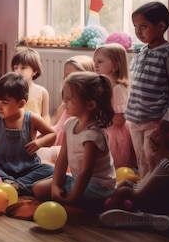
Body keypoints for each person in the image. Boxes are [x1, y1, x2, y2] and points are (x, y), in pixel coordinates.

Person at [33, 71, 116, 208]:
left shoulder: (92, 135)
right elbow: (62, 160)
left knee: (71, 201)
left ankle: (109, 199)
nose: (65, 103)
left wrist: (73, 198)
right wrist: (55, 185)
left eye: (69, 98)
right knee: (38, 189)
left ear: (90, 105)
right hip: (79, 181)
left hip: (99, 187)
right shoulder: (70, 124)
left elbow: (86, 171)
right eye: (65, 98)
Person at [99, 120, 169, 232]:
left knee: (124, 191)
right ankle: (117, 213)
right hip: (166, 202)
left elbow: (139, 195)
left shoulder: (167, 165)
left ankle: (110, 215)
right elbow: (143, 185)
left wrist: (121, 192)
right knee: (126, 184)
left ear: (155, 149)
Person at [126, 2, 169, 178]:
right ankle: (144, 187)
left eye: (143, 26)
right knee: (140, 158)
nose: (138, 31)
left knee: (153, 157)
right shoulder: (140, 52)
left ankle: (156, 191)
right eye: (135, 27)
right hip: (135, 117)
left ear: (160, 26)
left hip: (154, 119)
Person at [0, 72, 56, 196]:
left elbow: (52, 135)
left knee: (51, 169)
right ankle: (16, 185)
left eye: (5, 103)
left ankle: (13, 185)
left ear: (21, 103)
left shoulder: (32, 119)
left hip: (28, 167)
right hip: (2, 166)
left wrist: (40, 142)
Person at [38, 55, 95, 163]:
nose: (67, 81)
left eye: (72, 76)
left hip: (70, 151)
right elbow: (56, 127)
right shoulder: (65, 107)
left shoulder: (83, 112)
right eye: (65, 76)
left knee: (40, 156)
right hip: (60, 146)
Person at [94, 43, 136, 169]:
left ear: (115, 66)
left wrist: (101, 115)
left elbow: (120, 120)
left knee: (113, 167)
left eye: (100, 61)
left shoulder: (117, 89)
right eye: (94, 61)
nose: (95, 65)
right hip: (102, 126)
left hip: (114, 134)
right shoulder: (99, 85)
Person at [11, 47, 50, 124]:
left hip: (35, 130)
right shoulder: (11, 90)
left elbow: (45, 116)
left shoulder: (42, 92)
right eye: (15, 68)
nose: (18, 71)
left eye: (23, 68)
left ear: (34, 71)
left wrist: (45, 131)